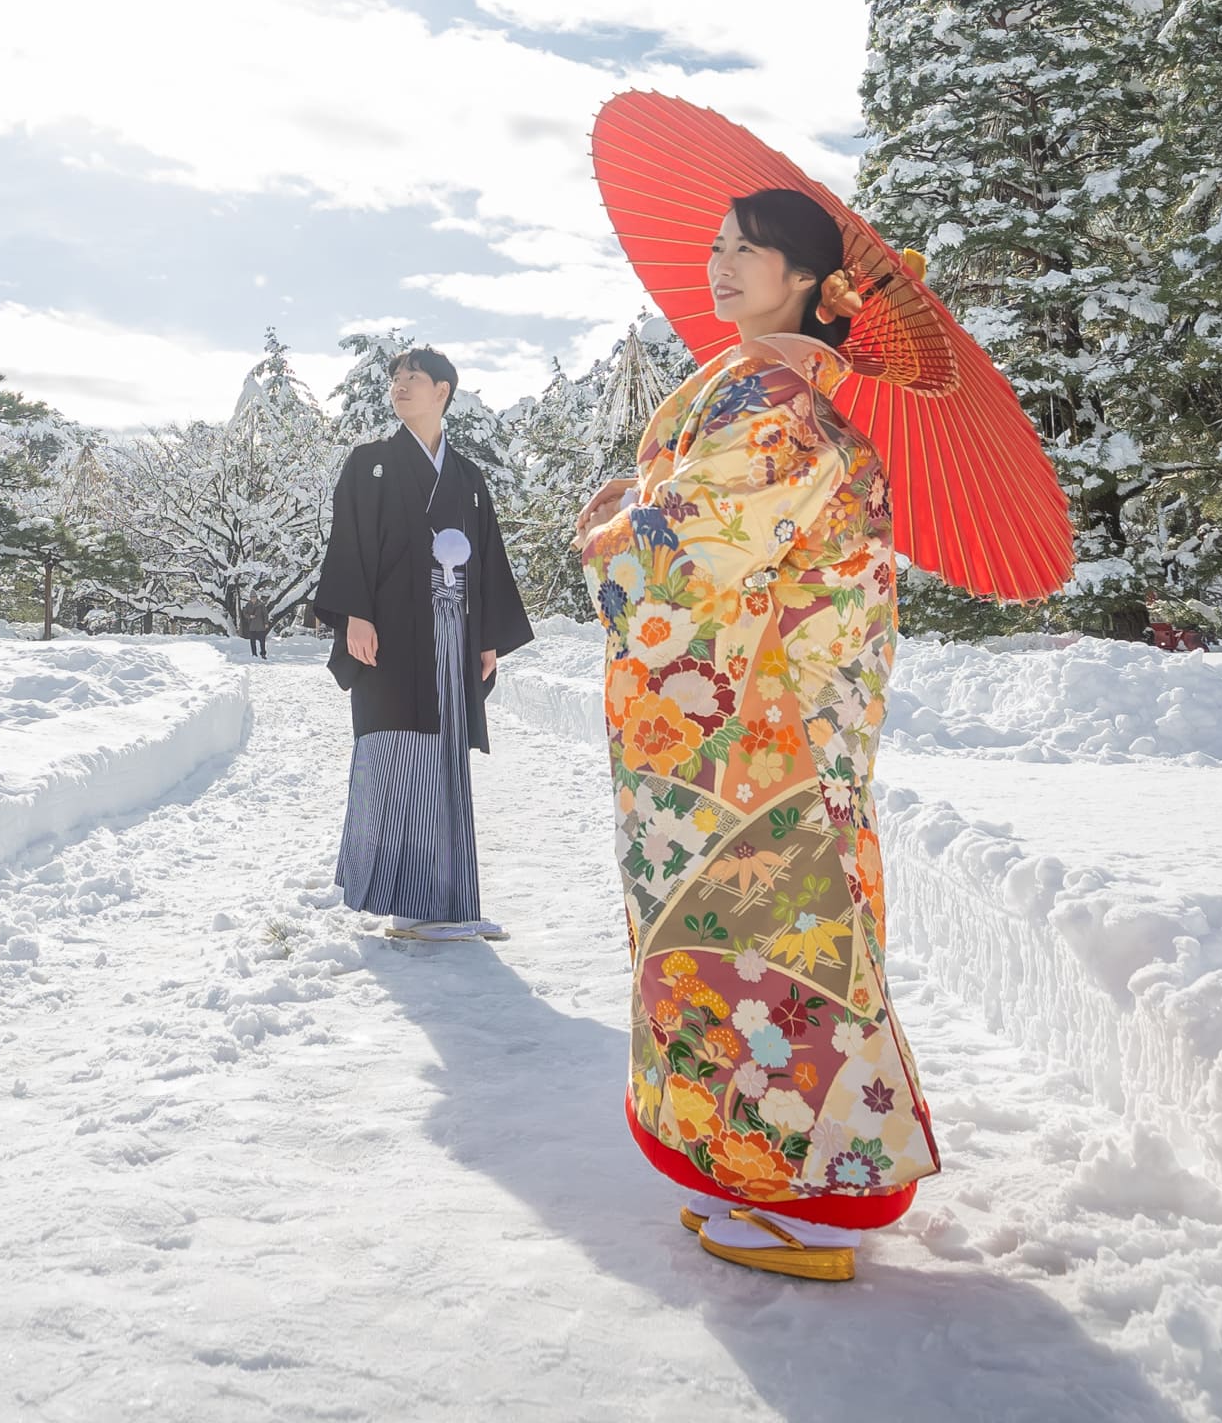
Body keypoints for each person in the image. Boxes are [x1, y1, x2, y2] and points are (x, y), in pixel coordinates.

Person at [575, 188, 941, 1283]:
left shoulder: (778, 405)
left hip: (755, 737)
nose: (722, 264)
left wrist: (612, 513)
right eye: (718, 247)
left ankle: (807, 1190)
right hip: (760, 724)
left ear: (806, 281)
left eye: (750, 249)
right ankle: (759, 1166)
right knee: (745, 940)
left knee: (769, 941)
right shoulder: (781, 396)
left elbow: (676, 560)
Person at [315, 346, 532, 941]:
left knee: (446, 760)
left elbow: (486, 559)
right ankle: (410, 907)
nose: (399, 388)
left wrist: (487, 637)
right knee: (396, 755)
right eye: (395, 380)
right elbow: (349, 541)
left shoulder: (467, 477)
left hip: (451, 636)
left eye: (412, 379)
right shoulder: (370, 464)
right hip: (386, 636)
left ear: (443, 391)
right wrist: (355, 613)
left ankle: (452, 906)